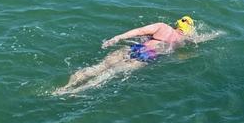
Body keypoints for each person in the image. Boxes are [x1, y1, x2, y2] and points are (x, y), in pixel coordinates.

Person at [53, 16, 195, 95]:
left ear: (177, 23)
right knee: (109, 74)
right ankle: (76, 91)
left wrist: (117, 37)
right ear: (188, 30)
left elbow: (139, 31)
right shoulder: (182, 41)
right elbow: (199, 39)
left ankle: (66, 86)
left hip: (136, 48)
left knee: (99, 67)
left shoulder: (163, 26)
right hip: (148, 56)